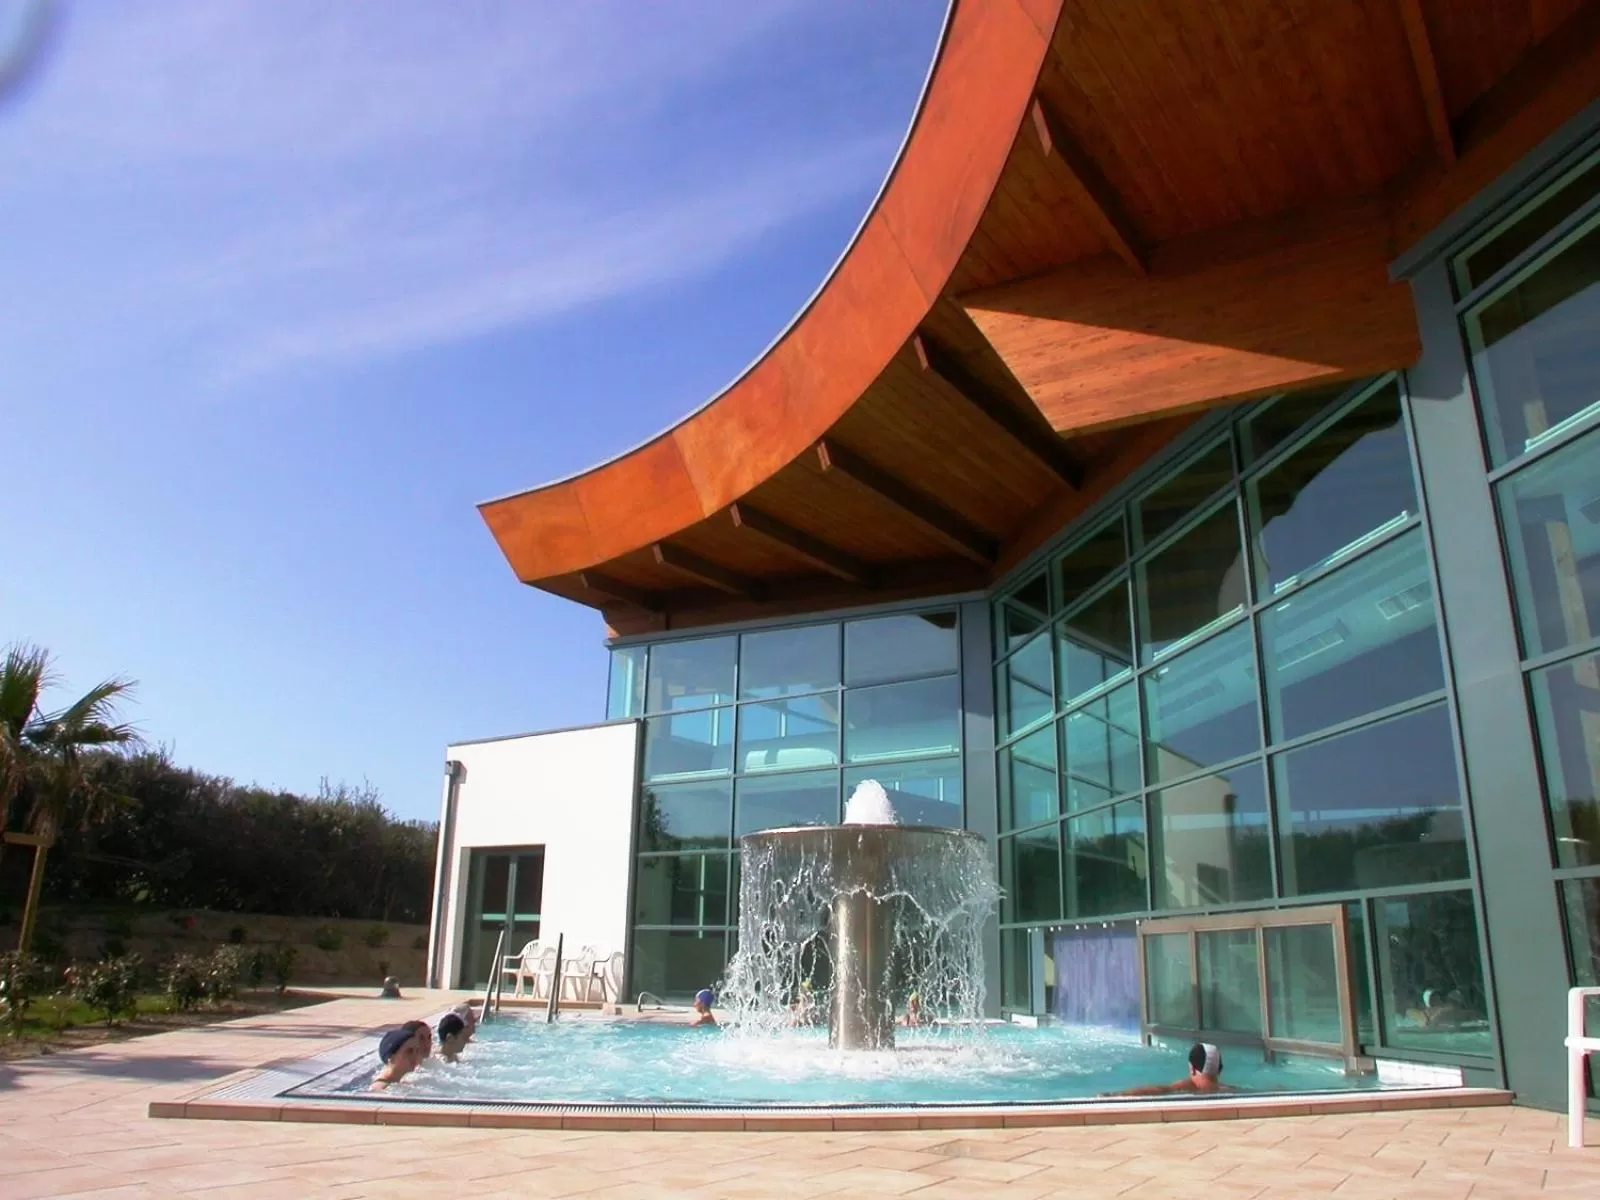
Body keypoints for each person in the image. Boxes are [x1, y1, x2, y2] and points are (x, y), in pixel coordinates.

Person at [1108, 1042, 1234, 1097]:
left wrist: (1117, 1095)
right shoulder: (1228, 1090)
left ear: (1193, 1068)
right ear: (1219, 1069)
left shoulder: (1186, 1087)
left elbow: (1158, 1090)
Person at [370, 1024, 424, 1090]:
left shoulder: (400, 1082)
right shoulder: (380, 1088)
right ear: (391, 1056)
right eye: (409, 1051)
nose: (415, 1056)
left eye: (417, 1051)